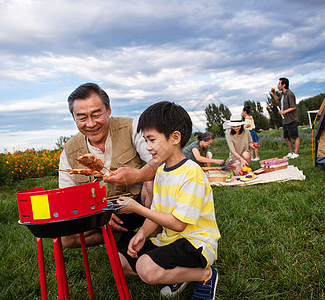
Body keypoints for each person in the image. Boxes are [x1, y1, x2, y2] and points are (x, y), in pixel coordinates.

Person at [116, 101, 220, 300]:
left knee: (146, 268)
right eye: (145, 140)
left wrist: (137, 208)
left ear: (175, 138)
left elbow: (179, 224)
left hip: (195, 243)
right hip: (169, 240)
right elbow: (158, 211)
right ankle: (181, 272)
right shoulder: (162, 170)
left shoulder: (191, 172)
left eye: (152, 139)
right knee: (119, 262)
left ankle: (205, 274)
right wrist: (142, 234)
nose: (147, 147)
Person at [58, 83, 157, 248]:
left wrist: (139, 175)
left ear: (108, 110)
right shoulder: (69, 151)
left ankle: (156, 238)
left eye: (96, 114)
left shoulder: (132, 127)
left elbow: (159, 161)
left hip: (141, 202)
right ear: (74, 118)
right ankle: (120, 237)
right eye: (82, 117)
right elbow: (68, 198)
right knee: (66, 239)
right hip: (103, 213)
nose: (90, 124)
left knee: (152, 178)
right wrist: (96, 215)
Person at [271, 77, 300, 159]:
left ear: (284, 85)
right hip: (285, 120)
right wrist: (273, 93)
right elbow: (277, 101)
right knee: (286, 137)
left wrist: (284, 112)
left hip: (292, 119)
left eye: (279, 84)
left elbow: (293, 107)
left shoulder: (290, 94)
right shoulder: (282, 94)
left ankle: (296, 153)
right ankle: (291, 152)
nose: (277, 86)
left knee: (295, 136)